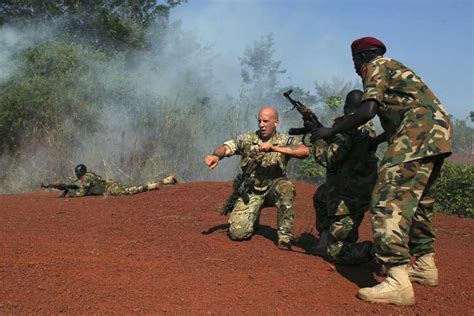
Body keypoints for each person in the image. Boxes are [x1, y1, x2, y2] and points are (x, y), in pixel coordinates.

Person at [306, 37, 452, 305]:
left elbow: (368, 110)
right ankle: (424, 263)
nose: (355, 68)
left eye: (354, 62)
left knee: (387, 200)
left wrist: (330, 130)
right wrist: (377, 141)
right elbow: (400, 114)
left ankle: (397, 278)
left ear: (362, 58)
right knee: (418, 201)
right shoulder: (398, 69)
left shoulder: (375, 66)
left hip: (416, 135)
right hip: (437, 135)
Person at [204, 107, 309, 250]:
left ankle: (285, 236)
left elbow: (304, 151)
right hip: (251, 190)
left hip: (274, 186)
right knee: (237, 234)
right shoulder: (248, 139)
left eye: (266, 121)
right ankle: (253, 217)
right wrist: (216, 156)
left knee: (286, 187)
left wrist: (275, 148)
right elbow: (226, 147)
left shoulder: (285, 140)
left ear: (276, 122)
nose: (261, 125)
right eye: (259, 121)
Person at [312, 90, 378, 264]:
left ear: (346, 107)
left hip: (348, 199)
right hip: (352, 190)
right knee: (321, 195)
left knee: (335, 252)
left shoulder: (348, 128)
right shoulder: (368, 126)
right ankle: (325, 238)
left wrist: (317, 139)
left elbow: (329, 158)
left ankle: (378, 251)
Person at [63, 164, 177, 197]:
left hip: (110, 188)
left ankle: (152, 186)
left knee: (128, 191)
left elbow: (81, 193)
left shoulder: (86, 178)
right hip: (110, 185)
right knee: (133, 186)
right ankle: (166, 181)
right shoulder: (88, 176)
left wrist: (68, 192)